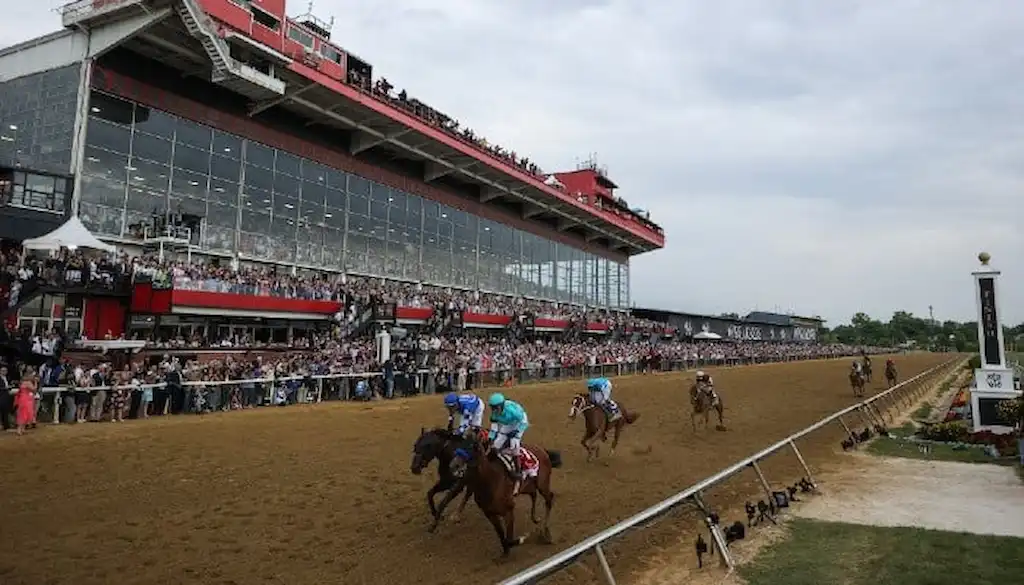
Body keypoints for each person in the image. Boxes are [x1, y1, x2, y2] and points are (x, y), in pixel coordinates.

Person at [487, 393, 529, 496]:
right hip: (507, 423)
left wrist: (517, 431)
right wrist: (491, 438)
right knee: (496, 445)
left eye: (495, 407)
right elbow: (494, 427)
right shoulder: (494, 413)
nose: (494, 410)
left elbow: (524, 422)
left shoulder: (512, 411)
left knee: (514, 443)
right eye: (492, 408)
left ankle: (518, 473)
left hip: (519, 422)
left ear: (501, 405)